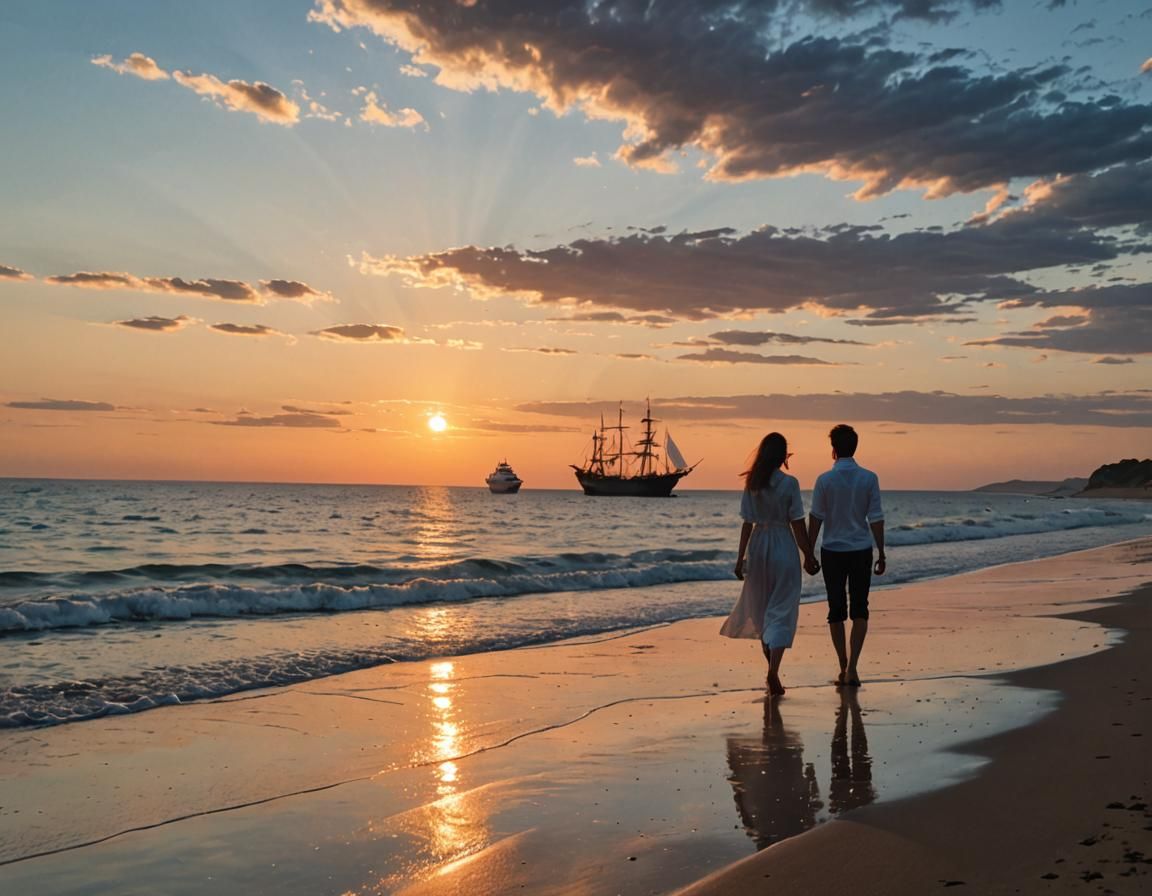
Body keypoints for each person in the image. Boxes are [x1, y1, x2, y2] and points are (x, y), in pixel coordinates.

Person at [720, 432, 819, 696]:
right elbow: (797, 523)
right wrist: (808, 555)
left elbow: (747, 523)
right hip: (783, 545)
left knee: (762, 611)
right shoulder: (790, 483)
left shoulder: (753, 483)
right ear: (784, 456)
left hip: (759, 545)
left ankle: (772, 672)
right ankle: (773, 671)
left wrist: (740, 558)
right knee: (782, 608)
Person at [807, 424, 885, 688]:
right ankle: (853, 667)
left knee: (836, 610)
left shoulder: (824, 480)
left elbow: (816, 517)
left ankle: (842, 663)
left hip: (832, 551)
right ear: (855, 447)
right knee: (860, 608)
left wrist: (808, 552)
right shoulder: (869, 478)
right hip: (861, 549)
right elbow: (876, 518)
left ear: (833, 450)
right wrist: (882, 551)